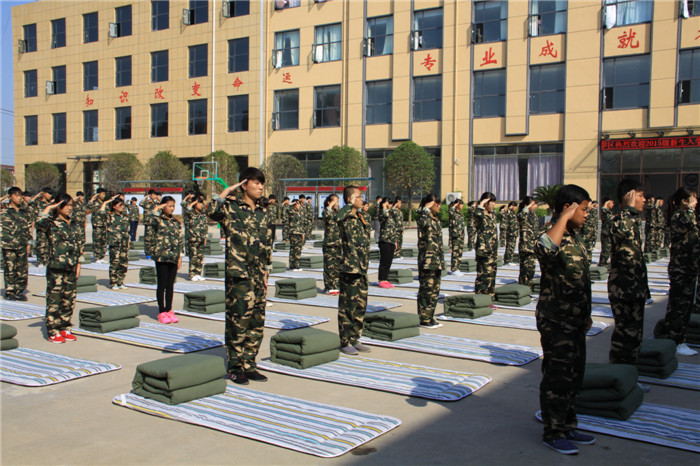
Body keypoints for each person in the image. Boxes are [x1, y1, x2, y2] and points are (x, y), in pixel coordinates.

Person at [535, 184, 596, 455]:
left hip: (575, 320)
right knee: (557, 377)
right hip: (556, 321)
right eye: (583, 209)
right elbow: (544, 249)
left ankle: (568, 424)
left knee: (574, 376)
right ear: (567, 209)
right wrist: (563, 217)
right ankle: (553, 431)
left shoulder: (576, 238)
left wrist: (585, 315)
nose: (587, 214)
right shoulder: (552, 235)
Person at [208, 168, 272, 384]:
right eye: (256, 183)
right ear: (245, 185)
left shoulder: (263, 211)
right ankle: (235, 367)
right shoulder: (231, 207)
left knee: (257, 320)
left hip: (258, 274)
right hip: (239, 274)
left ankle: (250, 364)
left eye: (262, 183)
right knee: (238, 320)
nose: (261, 187)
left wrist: (266, 270)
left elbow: (267, 243)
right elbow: (210, 211)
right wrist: (225, 192)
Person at [654, 188, 699, 356]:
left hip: (687, 267)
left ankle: (673, 337)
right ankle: (677, 340)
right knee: (680, 306)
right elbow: (693, 239)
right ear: (684, 201)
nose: (696, 202)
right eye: (693, 199)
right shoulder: (682, 216)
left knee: (680, 305)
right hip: (682, 267)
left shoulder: (685, 215)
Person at [608, 179, 649, 364]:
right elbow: (620, 229)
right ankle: (619, 370)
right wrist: (629, 208)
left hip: (635, 286)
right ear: (629, 197)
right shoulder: (618, 220)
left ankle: (630, 370)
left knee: (635, 333)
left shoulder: (632, 220)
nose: (644, 199)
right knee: (624, 334)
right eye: (640, 195)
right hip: (623, 287)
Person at [37, 194, 84, 343]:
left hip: (71, 266)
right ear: (58, 206)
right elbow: (39, 223)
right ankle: (53, 330)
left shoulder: (74, 223)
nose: (69, 208)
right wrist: (49, 208)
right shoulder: (50, 223)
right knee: (54, 299)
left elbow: (80, 245)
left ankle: (65, 327)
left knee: (69, 299)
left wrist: (79, 264)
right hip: (56, 266)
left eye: (71, 205)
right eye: (66, 205)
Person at [337, 185, 372, 355]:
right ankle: (345, 341)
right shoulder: (344, 216)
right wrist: (348, 205)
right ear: (350, 199)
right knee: (348, 306)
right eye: (358, 197)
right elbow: (337, 218)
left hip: (362, 267)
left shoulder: (361, 217)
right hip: (350, 268)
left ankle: (355, 337)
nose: (361, 200)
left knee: (360, 305)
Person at [148, 196, 183, 325]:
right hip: (161, 256)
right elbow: (149, 220)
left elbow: (179, 240)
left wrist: (179, 257)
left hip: (173, 256)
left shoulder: (175, 222)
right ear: (163, 207)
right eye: (169, 206)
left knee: (170, 285)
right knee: (162, 284)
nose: (172, 208)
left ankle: (169, 309)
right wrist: (157, 208)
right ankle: (161, 311)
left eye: (173, 206)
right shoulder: (157, 220)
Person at [417, 193, 444, 328]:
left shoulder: (435, 219)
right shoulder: (423, 217)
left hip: (436, 259)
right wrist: (425, 209)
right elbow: (422, 221)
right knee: (426, 289)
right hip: (427, 260)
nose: (439, 206)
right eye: (436, 203)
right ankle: (424, 318)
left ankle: (430, 316)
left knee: (435, 290)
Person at [0, 187, 32, 301]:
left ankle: (19, 291)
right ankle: (10, 291)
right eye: (16, 195)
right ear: (10, 197)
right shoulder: (3, 210)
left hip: (22, 243)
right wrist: (5, 197)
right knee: (10, 269)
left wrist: (29, 243)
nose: (19, 198)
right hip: (8, 244)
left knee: (22, 269)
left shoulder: (24, 211)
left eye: (20, 195)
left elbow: (28, 228)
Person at [101, 196, 130, 289]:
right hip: (115, 243)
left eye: (123, 205)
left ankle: (120, 282)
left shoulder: (125, 216)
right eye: (120, 205)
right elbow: (101, 212)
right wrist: (106, 202)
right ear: (114, 206)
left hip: (124, 243)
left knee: (123, 263)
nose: (122, 207)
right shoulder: (110, 216)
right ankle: (113, 282)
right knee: (115, 262)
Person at [474, 192, 498, 295]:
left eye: (494, 202)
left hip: (492, 250)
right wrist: (481, 204)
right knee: (483, 276)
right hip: (483, 251)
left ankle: (490, 295)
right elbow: (476, 214)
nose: (494, 205)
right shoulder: (480, 214)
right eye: (491, 202)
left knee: (492, 275)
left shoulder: (492, 215)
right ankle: (481, 297)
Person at [377, 197, 400, 288]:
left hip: (391, 240)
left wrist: (395, 241)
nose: (390, 205)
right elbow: (384, 216)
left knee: (389, 261)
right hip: (385, 240)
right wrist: (384, 207)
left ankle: (385, 279)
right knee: (384, 261)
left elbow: (395, 228)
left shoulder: (391, 214)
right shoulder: (382, 213)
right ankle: (381, 279)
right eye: (388, 203)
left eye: (390, 203)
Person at [322, 194, 341, 295]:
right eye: (335, 201)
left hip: (338, 243)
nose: (337, 203)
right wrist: (330, 205)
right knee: (329, 266)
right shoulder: (326, 211)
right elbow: (326, 214)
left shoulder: (338, 213)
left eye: (338, 201)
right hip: (329, 243)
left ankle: (336, 285)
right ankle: (329, 286)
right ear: (329, 202)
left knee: (337, 266)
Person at [186, 195, 208, 281]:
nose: (201, 205)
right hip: (193, 239)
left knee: (200, 257)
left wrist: (205, 238)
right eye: (199, 203)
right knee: (193, 257)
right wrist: (194, 202)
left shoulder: (203, 214)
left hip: (201, 238)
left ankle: (198, 273)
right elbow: (187, 208)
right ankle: (192, 274)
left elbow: (205, 227)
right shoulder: (191, 213)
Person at [518, 196, 538, 286]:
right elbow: (520, 216)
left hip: (533, 245)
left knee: (531, 268)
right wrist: (527, 206)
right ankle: (523, 286)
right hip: (526, 245)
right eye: (534, 204)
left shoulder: (533, 215)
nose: (536, 206)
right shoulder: (523, 214)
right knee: (525, 268)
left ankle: (527, 286)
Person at [30, 188, 54, 265]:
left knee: (50, 245)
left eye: (51, 194)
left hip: (50, 227)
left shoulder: (51, 203)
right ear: (44, 193)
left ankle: (47, 261)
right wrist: (38, 195)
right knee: (41, 244)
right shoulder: (38, 203)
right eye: (49, 193)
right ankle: (40, 261)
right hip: (41, 227)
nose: (50, 195)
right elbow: (30, 203)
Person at [87, 188, 108, 263]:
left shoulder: (104, 203)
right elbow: (88, 207)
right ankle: (97, 257)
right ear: (98, 194)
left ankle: (102, 257)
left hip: (104, 224)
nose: (104, 195)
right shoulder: (95, 202)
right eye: (102, 194)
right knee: (97, 241)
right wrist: (92, 199)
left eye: (104, 194)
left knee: (103, 241)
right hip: (97, 225)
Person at [140, 189, 160, 259]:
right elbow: (140, 203)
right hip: (148, 223)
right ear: (150, 195)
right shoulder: (146, 202)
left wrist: (158, 199)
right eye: (154, 194)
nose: (155, 196)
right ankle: (148, 253)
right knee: (148, 239)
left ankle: (154, 252)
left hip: (155, 223)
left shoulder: (156, 202)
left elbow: (161, 207)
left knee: (155, 238)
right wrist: (146, 197)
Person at [448, 198, 466, 275]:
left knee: (460, 253)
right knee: (455, 253)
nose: (462, 206)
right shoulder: (453, 212)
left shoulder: (460, 213)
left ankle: (457, 268)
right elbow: (450, 211)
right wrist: (454, 205)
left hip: (460, 236)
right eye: (461, 204)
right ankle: (454, 269)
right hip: (455, 236)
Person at [287, 199, 306, 271]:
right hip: (293, 233)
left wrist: (303, 233)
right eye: (297, 204)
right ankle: (292, 266)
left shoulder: (300, 213)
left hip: (300, 233)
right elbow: (286, 209)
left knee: (298, 250)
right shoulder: (291, 212)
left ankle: (297, 265)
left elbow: (302, 224)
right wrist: (291, 204)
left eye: (299, 204)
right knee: (293, 250)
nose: (298, 205)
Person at [598, 198, 615, 266]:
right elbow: (608, 218)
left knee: (608, 248)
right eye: (612, 203)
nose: (613, 205)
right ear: (608, 202)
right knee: (605, 249)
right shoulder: (604, 211)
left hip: (609, 232)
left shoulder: (608, 211)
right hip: (606, 233)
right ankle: (602, 263)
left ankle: (604, 262)